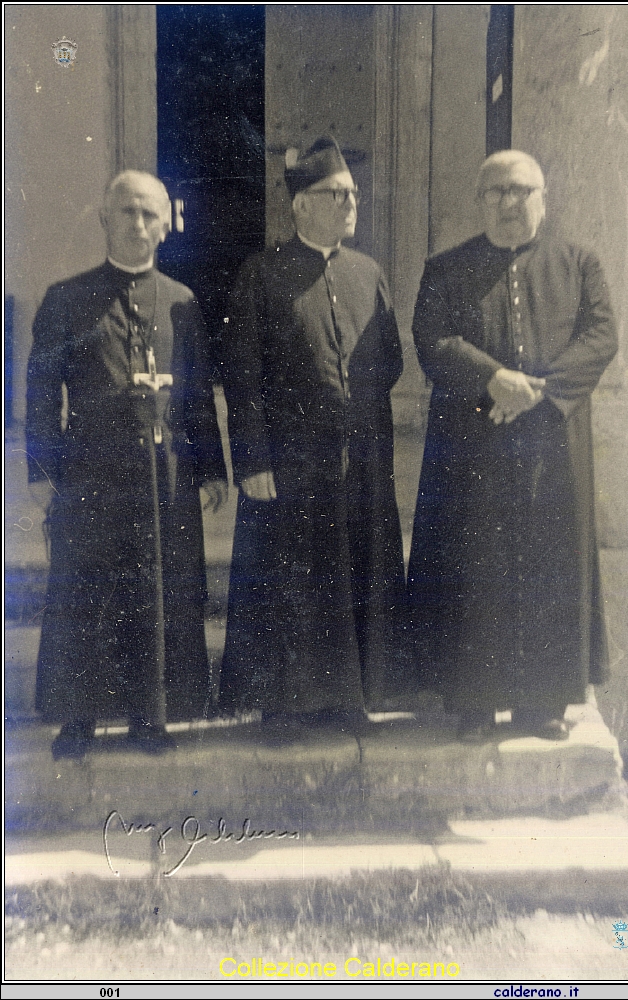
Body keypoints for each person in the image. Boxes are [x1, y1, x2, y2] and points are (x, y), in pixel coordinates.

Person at [407, 150, 618, 741]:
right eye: (495, 191)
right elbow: (432, 337)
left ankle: (544, 703)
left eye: (520, 190)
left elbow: (602, 335)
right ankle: (474, 702)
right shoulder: (446, 268)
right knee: (475, 567)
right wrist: (492, 379)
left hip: (553, 442)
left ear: (543, 200)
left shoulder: (579, 263)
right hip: (473, 446)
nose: (508, 201)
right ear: (480, 202)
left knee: (551, 565)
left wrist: (541, 392)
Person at [26, 170, 228, 758]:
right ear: (105, 219)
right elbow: (41, 393)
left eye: (149, 215)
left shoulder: (183, 302)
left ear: (166, 224)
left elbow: (195, 398)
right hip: (88, 474)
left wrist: (212, 468)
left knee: (158, 590)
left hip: (165, 476)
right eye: (126, 213)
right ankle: (78, 717)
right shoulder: (66, 300)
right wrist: (40, 470)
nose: (138, 225)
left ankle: (151, 715)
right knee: (84, 591)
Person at [219, 136, 406, 735]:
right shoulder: (263, 272)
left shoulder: (369, 272)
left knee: (354, 572)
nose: (350, 202)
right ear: (300, 204)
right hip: (288, 463)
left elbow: (390, 360)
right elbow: (241, 373)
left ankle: (350, 700)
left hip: (356, 462)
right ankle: (284, 706)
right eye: (334, 194)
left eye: (352, 193)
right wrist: (252, 459)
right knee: (290, 580)